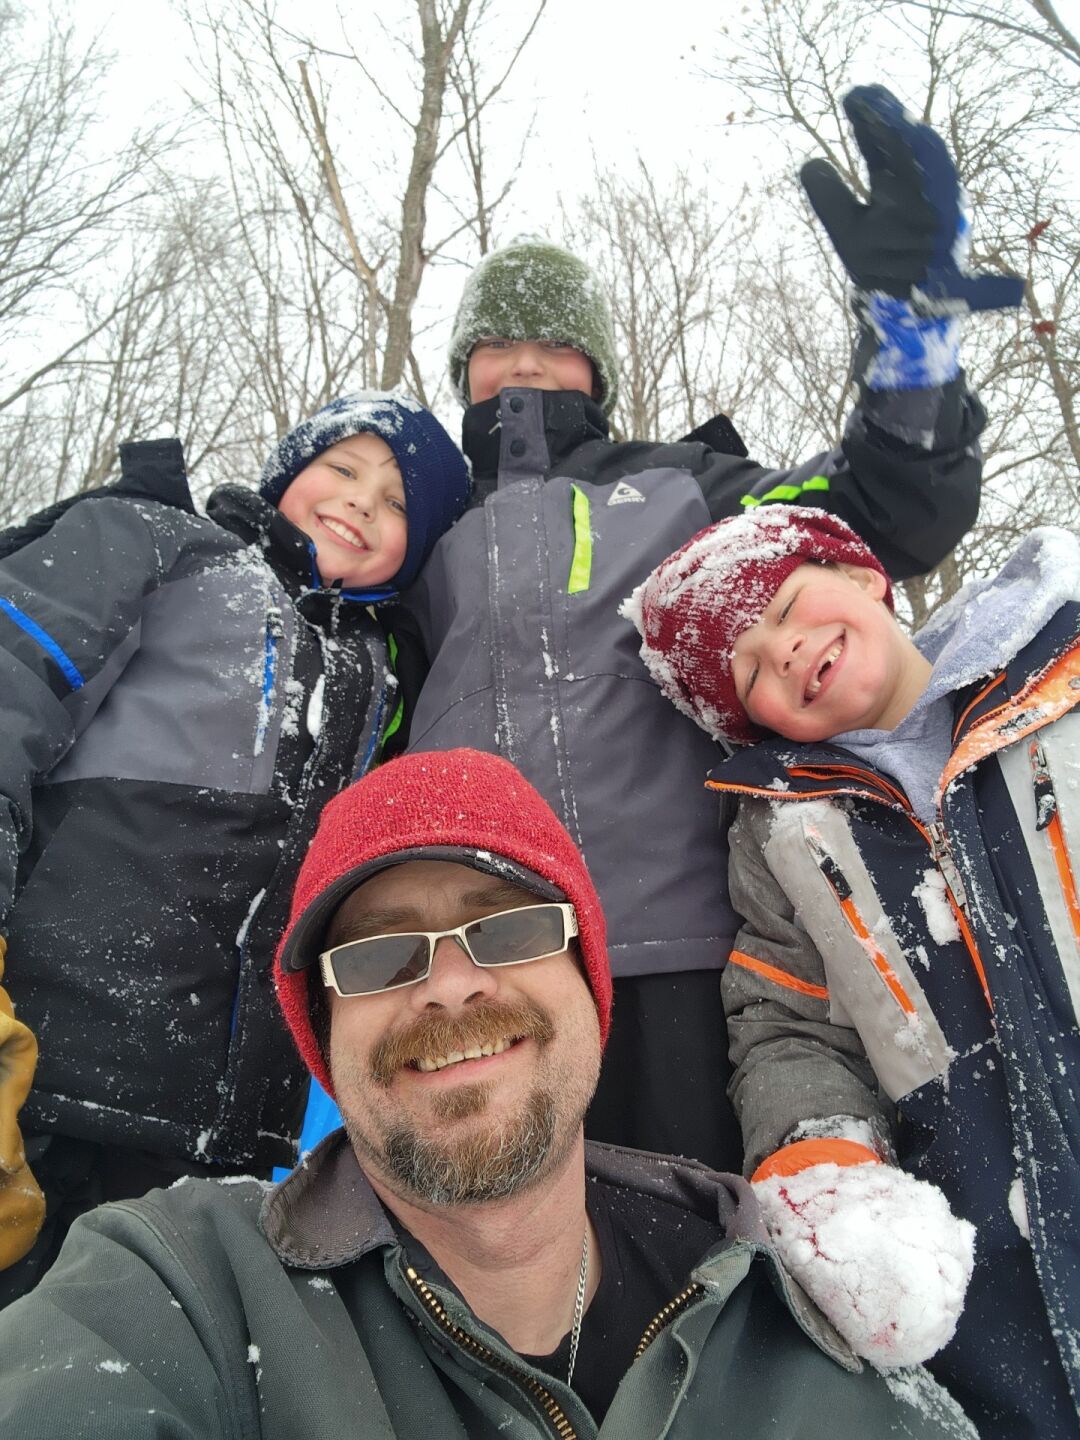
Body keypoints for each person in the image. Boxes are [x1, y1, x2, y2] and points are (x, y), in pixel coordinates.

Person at [393, 84, 1023, 1169]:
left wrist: (910, 350)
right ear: (462, 370)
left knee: (703, 1229)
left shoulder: (687, 483)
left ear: (597, 367)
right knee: (511, 1240)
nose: (524, 358)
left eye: (554, 338)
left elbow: (884, 509)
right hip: (477, 955)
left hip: (680, 941)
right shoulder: (428, 524)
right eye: (495, 341)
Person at [0, 747, 979, 1438]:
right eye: (379, 954)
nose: (451, 985)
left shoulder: (785, 1301)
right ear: (322, 1030)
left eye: (508, 929)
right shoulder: (181, 1290)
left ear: (591, 986)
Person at [0, 391, 469, 1301]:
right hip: (47, 1077)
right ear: (289, 471)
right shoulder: (159, 542)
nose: (361, 501)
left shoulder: (382, 675)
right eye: (342, 468)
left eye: (398, 502)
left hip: (233, 1146)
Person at [626, 505, 1080, 1438]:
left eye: (787, 606)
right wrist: (824, 1161)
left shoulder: (1062, 677)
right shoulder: (780, 827)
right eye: (750, 670)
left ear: (866, 577)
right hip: (990, 1242)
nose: (784, 649)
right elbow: (787, 1022)